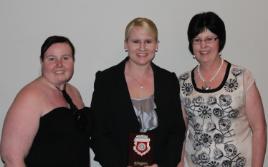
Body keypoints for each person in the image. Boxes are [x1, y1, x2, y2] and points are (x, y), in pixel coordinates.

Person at [90, 17, 185, 167]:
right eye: (135, 41)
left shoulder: (169, 81)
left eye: (148, 41)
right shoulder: (106, 81)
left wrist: (162, 165)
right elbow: (98, 133)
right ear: (126, 44)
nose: (142, 47)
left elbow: (176, 131)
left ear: (156, 45)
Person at [178, 11, 267, 167]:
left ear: (220, 40)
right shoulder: (183, 82)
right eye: (197, 40)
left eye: (209, 39)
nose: (203, 45)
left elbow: (259, 128)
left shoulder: (242, 78)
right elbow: (180, 133)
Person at [0, 35, 91, 167]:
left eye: (65, 58)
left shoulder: (73, 92)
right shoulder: (30, 96)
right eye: (51, 59)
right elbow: (11, 158)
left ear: (73, 61)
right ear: (42, 61)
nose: (59, 64)